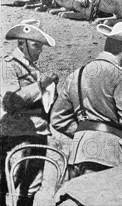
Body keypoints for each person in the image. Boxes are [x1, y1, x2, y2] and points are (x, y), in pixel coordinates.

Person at [51, 22, 122, 179]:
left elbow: (57, 118)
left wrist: (84, 132)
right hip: (110, 156)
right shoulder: (120, 77)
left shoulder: (76, 75)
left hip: (78, 154)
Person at [1, 20, 58, 206]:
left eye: (40, 46)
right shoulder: (8, 66)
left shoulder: (33, 68)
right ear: (20, 43)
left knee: (31, 187)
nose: (39, 50)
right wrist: (41, 85)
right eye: (35, 45)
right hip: (17, 134)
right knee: (10, 182)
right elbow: (11, 102)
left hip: (39, 134)